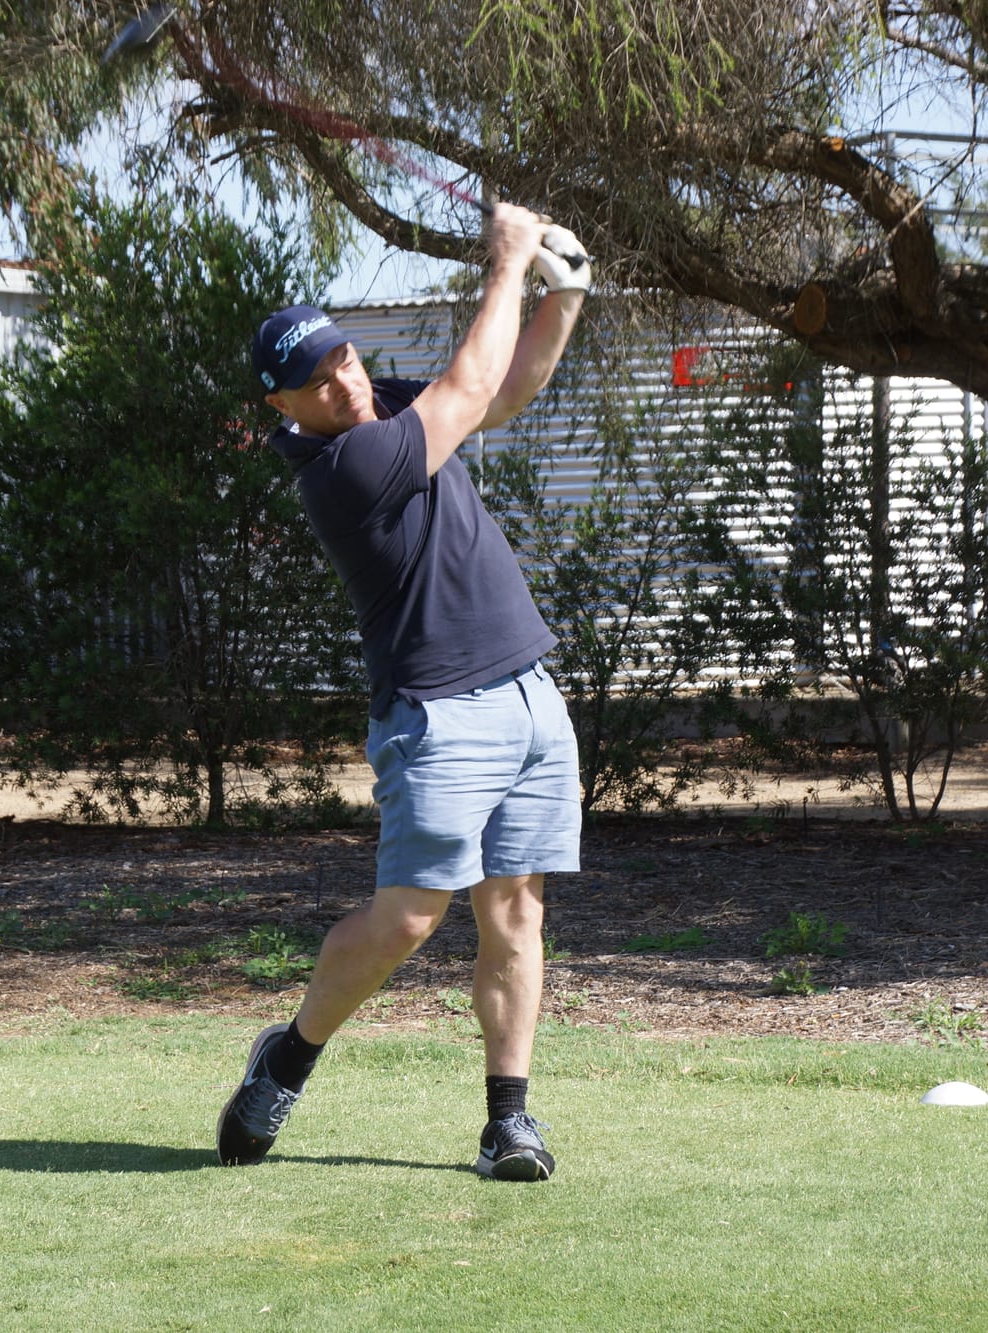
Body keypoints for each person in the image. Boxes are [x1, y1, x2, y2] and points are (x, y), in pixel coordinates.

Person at [220, 202, 591, 1181]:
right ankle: (289, 1052)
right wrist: (511, 260)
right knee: (407, 921)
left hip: (526, 695)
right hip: (437, 711)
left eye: (339, 358)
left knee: (515, 913)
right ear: (282, 406)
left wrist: (568, 292)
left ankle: (507, 1122)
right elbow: (469, 386)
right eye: (313, 378)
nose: (340, 380)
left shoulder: (377, 402)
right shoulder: (341, 465)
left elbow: (501, 394)